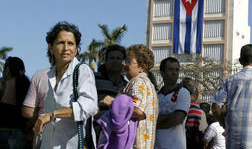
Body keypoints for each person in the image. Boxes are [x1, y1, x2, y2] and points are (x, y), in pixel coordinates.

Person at [33, 21, 98, 149]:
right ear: (51, 48)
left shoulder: (82, 71)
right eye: (61, 43)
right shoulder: (50, 75)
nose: (66, 48)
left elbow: (89, 107)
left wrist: (52, 115)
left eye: (71, 43)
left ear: (76, 48)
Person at [100, 44, 159, 149]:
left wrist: (112, 103)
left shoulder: (138, 82)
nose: (125, 65)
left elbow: (138, 112)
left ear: (142, 67)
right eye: (125, 61)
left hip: (134, 145)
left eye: (129, 62)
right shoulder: (146, 83)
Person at [155, 57, 191, 149]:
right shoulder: (156, 95)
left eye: (177, 70)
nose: (174, 73)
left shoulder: (183, 92)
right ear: (162, 72)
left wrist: (154, 123)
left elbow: (177, 119)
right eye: (170, 69)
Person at [0, 56, 30, 149]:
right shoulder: (27, 84)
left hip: (2, 131)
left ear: (8, 69)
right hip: (19, 132)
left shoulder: (2, 84)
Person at [181, 77, 205, 149]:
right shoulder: (197, 109)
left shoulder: (179, 104)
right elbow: (202, 129)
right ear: (194, 95)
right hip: (192, 140)